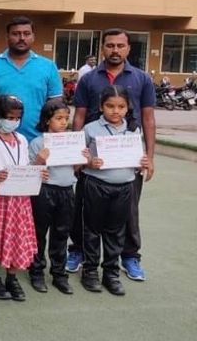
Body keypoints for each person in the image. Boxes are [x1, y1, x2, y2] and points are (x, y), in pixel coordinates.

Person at [68, 28, 156, 282]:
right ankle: (78, 250)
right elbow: (80, 116)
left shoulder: (141, 78)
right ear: (102, 48)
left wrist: (150, 156)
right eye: (110, 45)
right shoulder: (89, 79)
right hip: (93, 160)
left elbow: (148, 118)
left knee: (128, 209)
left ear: (128, 48)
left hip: (128, 158)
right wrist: (77, 155)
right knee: (84, 208)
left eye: (120, 45)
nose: (115, 50)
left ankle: (129, 256)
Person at [80, 85, 150, 296]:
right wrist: (89, 162)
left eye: (121, 106)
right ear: (101, 106)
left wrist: (143, 162)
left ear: (128, 108)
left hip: (125, 186)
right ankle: (90, 271)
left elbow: (138, 158)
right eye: (110, 106)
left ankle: (111, 273)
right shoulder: (90, 129)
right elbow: (78, 158)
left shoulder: (133, 130)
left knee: (116, 232)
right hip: (96, 185)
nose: (115, 111)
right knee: (92, 230)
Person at [0, 95, 45, 302]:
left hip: (20, 198)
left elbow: (24, 167)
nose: (13, 121)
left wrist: (38, 169)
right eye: (9, 117)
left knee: (17, 235)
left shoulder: (22, 139)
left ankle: (11, 277)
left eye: (17, 118)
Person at [27, 100, 88, 295]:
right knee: (39, 233)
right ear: (47, 120)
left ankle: (59, 274)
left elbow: (75, 168)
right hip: (44, 191)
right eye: (58, 118)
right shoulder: (38, 143)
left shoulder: (72, 141)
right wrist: (39, 161)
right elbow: (29, 171)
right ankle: (36, 271)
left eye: (66, 118)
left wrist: (83, 159)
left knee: (61, 233)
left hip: (66, 190)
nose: (63, 122)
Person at [0, 16, 63, 141]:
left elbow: (55, 105)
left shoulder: (48, 66)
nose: (22, 38)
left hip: (38, 140)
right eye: (16, 34)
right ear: (7, 36)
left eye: (26, 34)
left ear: (33, 37)